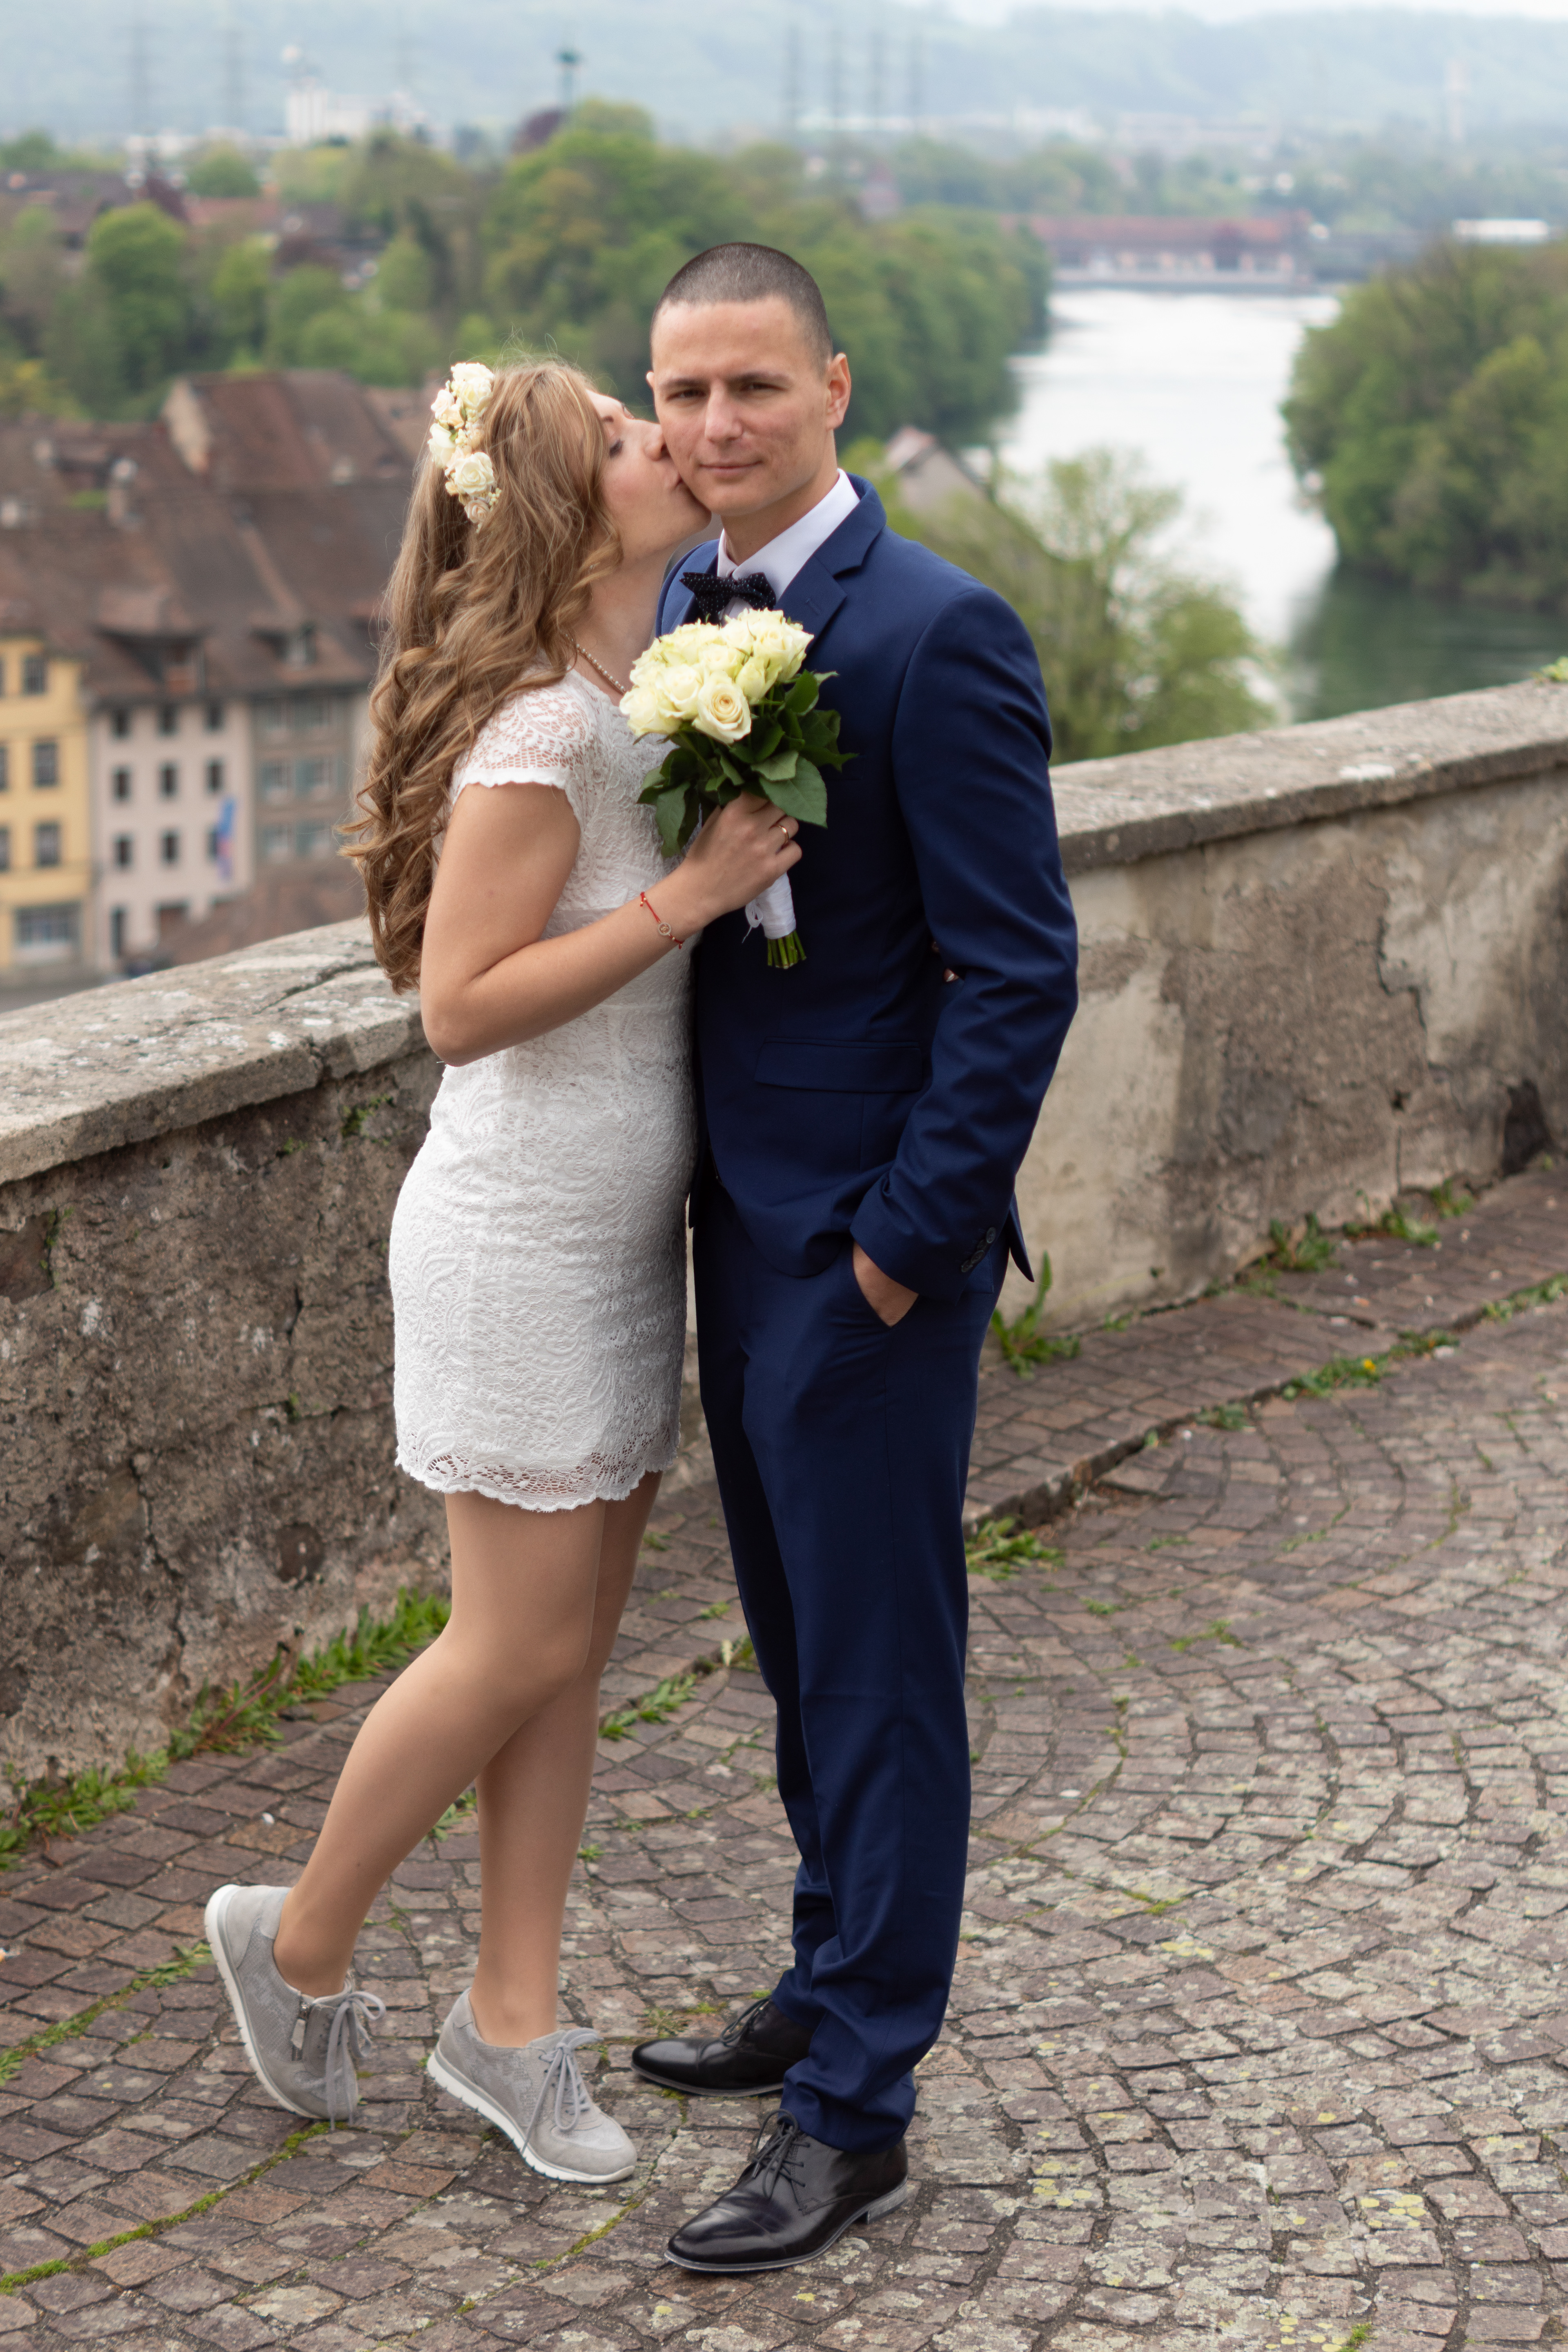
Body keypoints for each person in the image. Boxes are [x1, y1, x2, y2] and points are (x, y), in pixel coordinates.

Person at [203, 356, 802, 2186]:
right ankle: (294, 1940)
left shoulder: (643, 682)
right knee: (514, 1637)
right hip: (519, 1233)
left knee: (569, 1651)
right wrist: (682, 901)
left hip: (617, 1234)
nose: (671, 443)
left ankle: (510, 2023)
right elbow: (459, 1006)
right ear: (569, 503)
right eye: (632, 436)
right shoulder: (544, 727)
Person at [629, 247, 1080, 2272]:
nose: (715, 426)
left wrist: (910, 1249)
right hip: (736, 1221)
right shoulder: (680, 609)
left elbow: (1018, 968)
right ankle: (827, 1972)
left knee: (887, 1678)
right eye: (682, 393)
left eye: (751, 388)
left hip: (865, 1260)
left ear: (831, 387)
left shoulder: (936, 632)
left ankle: (859, 2105)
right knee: (803, 1659)